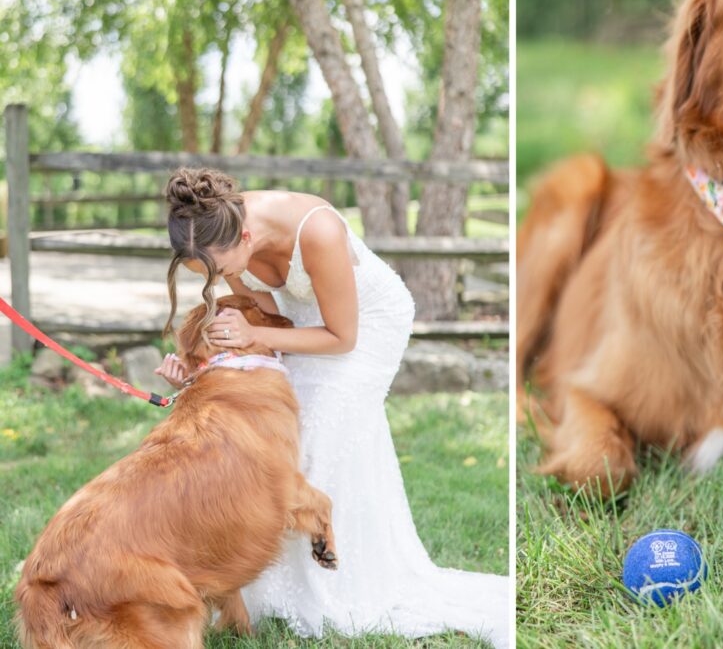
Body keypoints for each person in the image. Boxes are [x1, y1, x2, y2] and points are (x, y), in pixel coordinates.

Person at [156, 167, 508, 647]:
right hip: (301, 320)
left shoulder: (315, 230)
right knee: (280, 438)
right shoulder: (219, 231)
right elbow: (261, 308)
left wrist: (256, 334)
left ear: (247, 235)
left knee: (323, 432)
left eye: (219, 270)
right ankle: (271, 589)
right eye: (208, 276)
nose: (220, 281)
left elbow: (342, 338)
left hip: (364, 325)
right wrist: (199, 366)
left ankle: (347, 581)